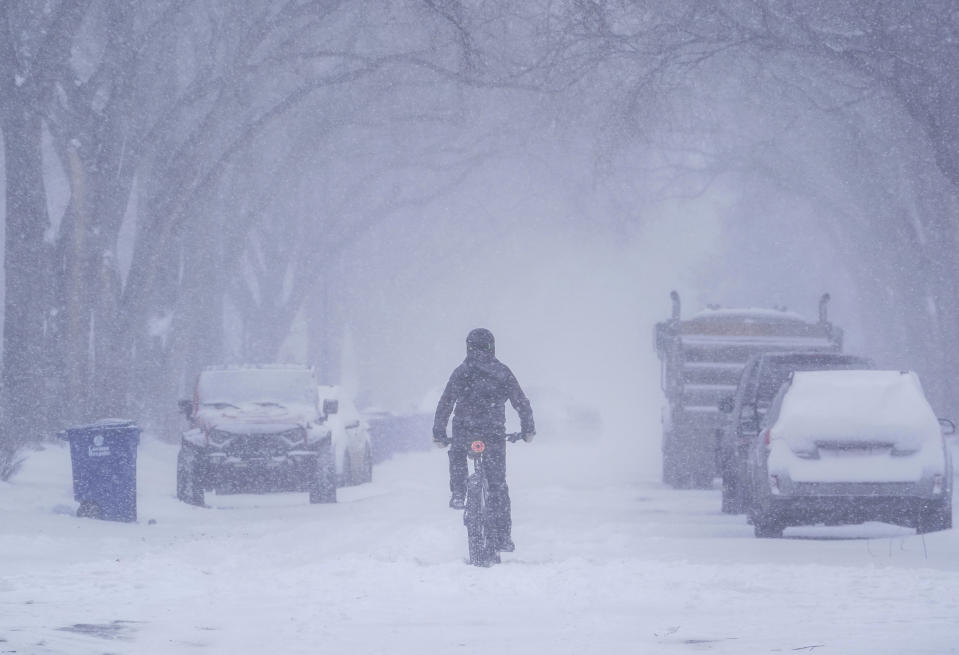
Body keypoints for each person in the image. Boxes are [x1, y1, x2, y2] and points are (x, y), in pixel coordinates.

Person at [433, 328, 535, 552]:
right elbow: (521, 402)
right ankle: (503, 536)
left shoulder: (461, 372)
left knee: (458, 455)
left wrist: (439, 433)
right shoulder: (502, 372)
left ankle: (459, 493)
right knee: (498, 484)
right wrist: (528, 429)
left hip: (464, 429)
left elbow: (446, 403)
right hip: (493, 431)